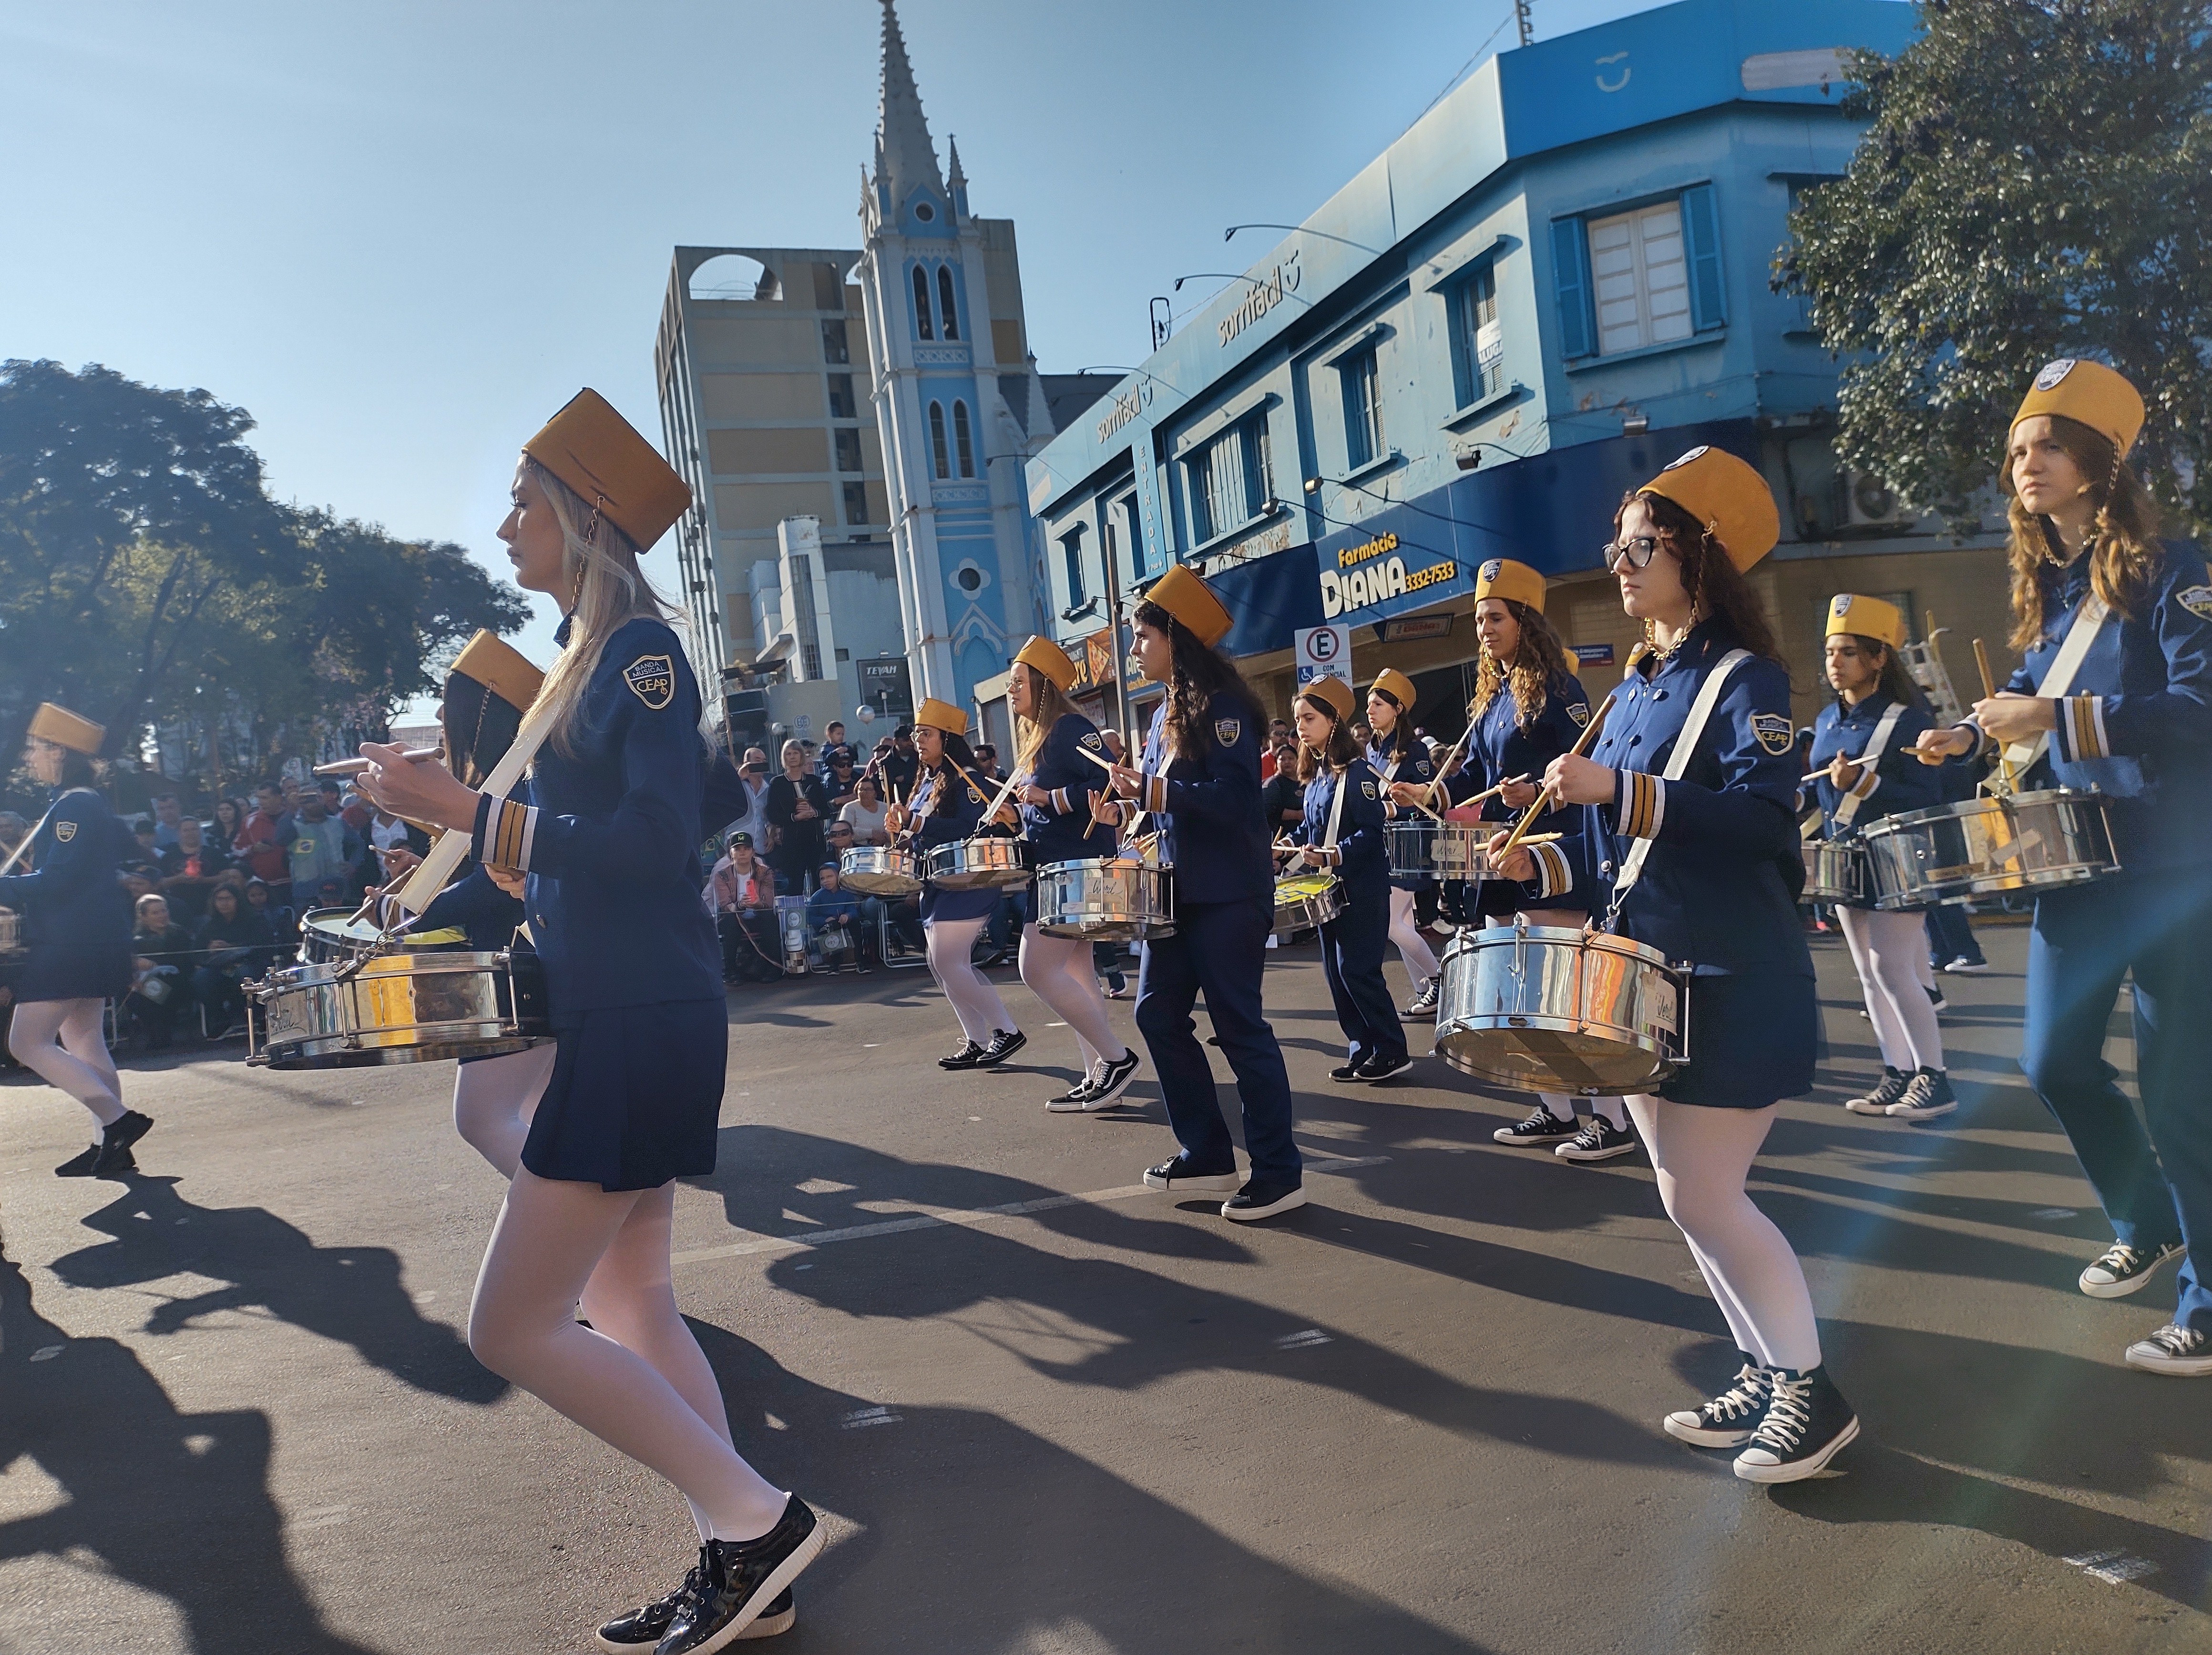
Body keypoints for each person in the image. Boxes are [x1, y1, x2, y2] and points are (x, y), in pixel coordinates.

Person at [354, 388, 821, 1647]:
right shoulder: (587, 659)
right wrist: (480, 848)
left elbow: (657, 839)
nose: (505, 523)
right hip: (624, 1006)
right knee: (633, 1311)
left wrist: (465, 813)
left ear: (582, 514)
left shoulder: (637, 654)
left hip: (635, 1016)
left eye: (523, 501)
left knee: (511, 1327)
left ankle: (759, 1525)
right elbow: (615, 836)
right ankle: (746, 1558)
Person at [1494, 447, 1855, 1479]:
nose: (1619, 563)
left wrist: (1618, 790)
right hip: (1648, 978)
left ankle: (1812, 1393)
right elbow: (1619, 850)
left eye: (1639, 546)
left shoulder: (1747, 679)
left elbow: (1761, 824)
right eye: (1616, 546)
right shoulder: (1636, 689)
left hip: (1732, 975)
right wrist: (1540, 856)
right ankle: (1763, 1365)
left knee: (1705, 1195)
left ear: (1700, 554)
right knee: (1679, 1192)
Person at [1911, 359, 2212, 1377]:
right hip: (2078, 867)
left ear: (2097, 461)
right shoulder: (2052, 587)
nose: (2024, 464)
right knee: (2053, 1061)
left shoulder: (2174, 570)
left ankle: (2208, 1305)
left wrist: (2052, 714)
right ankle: (2147, 1217)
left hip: (2173, 867)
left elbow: (2199, 708)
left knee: (2183, 1095)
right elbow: (2029, 694)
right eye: (2015, 452)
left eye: (2044, 445)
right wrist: (1968, 732)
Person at [1410, 557, 1628, 1162]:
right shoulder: (1491, 698)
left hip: (1553, 854)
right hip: (1503, 857)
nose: (1484, 629)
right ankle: (1555, 1109)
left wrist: (1536, 791)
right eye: (1479, 620)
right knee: (1520, 999)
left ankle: (1611, 1119)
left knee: (1563, 999)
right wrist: (1429, 794)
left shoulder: (1559, 688)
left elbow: (1590, 770)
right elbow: (1480, 779)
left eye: (1495, 618)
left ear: (1524, 622)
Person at [1105, 565, 1302, 1222]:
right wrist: (1130, 812)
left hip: (1226, 894)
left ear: (1177, 638)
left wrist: (1155, 792)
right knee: (1156, 1016)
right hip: (1176, 895)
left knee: (1240, 1030)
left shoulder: (1223, 707)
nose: (1135, 648)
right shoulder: (1163, 711)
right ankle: (1208, 1151)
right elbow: (1166, 804)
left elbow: (1236, 799)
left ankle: (1279, 1173)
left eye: (1143, 636)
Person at [1808, 595, 1954, 1122]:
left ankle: (1933, 1076)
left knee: (1890, 968)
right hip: (1846, 856)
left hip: (1898, 856)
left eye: (1848, 652)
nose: (1835, 662)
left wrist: (1863, 784)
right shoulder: (1826, 719)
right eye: (1830, 652)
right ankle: (1896, 1072)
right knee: (1867, 975)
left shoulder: (1908, 720)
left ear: (1877, 658)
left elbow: (1928, 794)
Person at [1, 705, 151, 1177]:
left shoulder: (74, 806)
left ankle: (118, 1121)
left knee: (26, 1043)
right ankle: (109, 1145)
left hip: (71, 942)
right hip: (93, 939)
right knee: (84, 1039)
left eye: (35, 748)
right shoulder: (84, 802)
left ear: (59, 751)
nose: (29, 757)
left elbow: (59, 880)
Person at [1004, 636, 1141, 1112]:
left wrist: (1049, 799)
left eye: (1018, 682)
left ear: (1043, 686)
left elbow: (1107, 780)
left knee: (1035, 968)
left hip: (1074, 868)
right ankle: (1100, 1076)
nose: (1010, 691)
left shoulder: (1069, 728)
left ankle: (1116, 1058)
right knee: (1079, 975)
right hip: (1055, 867)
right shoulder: (1040, 739)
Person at [888, 698, 1025, 1070]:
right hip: (938, 881)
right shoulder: (927, 780)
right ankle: (978, 1040)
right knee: (944, 964)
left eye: (927, 734)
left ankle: (1007, 1030)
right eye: (917, 734)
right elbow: (921, 831)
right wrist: (902, 831)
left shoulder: (967, 779)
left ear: (947, 739)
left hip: (969, 879)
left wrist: (916, 824)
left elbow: (971, 828)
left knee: (947, 961)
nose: (918, 740)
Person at [1286, 674, 1407, 1083]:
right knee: (1337, 975)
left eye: (1309, 718)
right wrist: (1287, 846)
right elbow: (1312, 829)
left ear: (1333, 721)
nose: (1300, 728)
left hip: (1362, 887)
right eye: (1298, 719)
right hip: (1328, 891)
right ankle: (1362, 1047)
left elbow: (1373, 833)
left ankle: (1391, 1050)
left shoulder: (1358, 775)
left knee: (1358, 971)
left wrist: (1337, 853)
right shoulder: (1317, 776)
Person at [1363, 667, 1443, 1017]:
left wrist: (1394, 807)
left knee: (1391, 923)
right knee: (1404, 922)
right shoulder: (1372, 749)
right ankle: (1426, 990)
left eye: (1379, 704)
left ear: (1398, 709)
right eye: (1369, 704)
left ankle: (1440, 979)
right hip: (1386, 842)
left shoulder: (1415, 749)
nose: (1370, 710)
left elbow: (1427, 799)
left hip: (1410, 840)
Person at [190, 881, 275, 1038]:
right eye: (220, 899)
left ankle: (258, 1016)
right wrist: (210, 950)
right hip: (220, 966)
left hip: (252, 963)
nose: (224, 903)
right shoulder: (210, 925)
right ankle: (220, 1020)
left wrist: (231, 947)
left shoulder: (255, 919)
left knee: (244, 974)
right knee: (201, 979)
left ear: (238, 900)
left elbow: (265, 946)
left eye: (228, 899)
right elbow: (197, 952)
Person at [764, 739, 829, 897]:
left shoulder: (814, 781)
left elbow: (826, 810)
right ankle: (796, 913)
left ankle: (818, 911)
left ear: (801, 756)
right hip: (791, 842)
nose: (792, 757)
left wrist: (814, 812)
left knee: (819, 883)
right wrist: (795, 817)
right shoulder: (777, 783)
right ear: (784, 757)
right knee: (794, 885)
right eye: (788, 754)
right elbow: (772, 814)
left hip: (815, 840)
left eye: (795, 753)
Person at [281, 786, 360, 903]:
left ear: (323, 799)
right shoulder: (293, 826)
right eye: (307, 799)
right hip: (306, 889)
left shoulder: (337, 823)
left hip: (337, 886)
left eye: (316, 797)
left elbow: (359, 845)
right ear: (300, 801)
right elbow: (280, 839)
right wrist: (291, 810)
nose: (313, 802)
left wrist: (353, 864)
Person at [156, 816, 229, 925]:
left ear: (200, 831)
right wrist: (179, 879)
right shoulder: (168, 857)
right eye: (186, 830)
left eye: (194, 829)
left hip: (210, 909)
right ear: (179, 833)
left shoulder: (215, 853)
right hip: (179, 912)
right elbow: (160, 884)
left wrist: (204, 880)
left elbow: (226, 877)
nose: (190, 833)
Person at [804, 861, 868, 972]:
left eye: (830, 877)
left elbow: (853, 910)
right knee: (833, 925)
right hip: (825, 927)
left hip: (843, 922)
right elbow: (809, 917)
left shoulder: (847, 893)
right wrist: (824, 920)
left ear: (838, 876)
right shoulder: (818, 896)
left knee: (855, 924)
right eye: (823, 878)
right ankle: (834, 964)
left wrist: (847, 916)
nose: (826, 881)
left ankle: (860, 961)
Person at [839, 772, 891, 846]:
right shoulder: (849, 808)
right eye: (861, 789)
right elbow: (845, 831)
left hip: (884, 848)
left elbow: (893, 829)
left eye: (868, 790)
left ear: (876, 793)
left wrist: (884, 838)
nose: (864, 792)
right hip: (858, 848)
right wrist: (872, 834)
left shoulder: (886, 808)